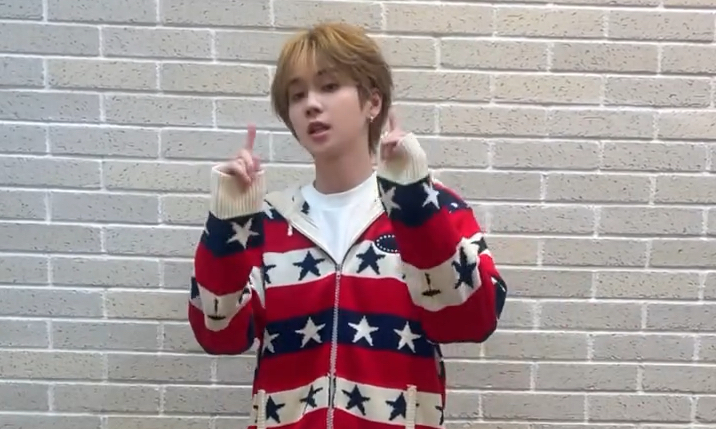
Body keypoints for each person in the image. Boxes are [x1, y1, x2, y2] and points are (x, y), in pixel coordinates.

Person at [188, 22, 508, 429]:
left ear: (373, 102)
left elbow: (472, 320)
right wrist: (227, 224)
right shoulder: (266, 222)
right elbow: (220, 334)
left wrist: (413, 203)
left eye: (329, 86)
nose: (311, 105)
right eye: (297, 95)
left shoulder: (432, 207)